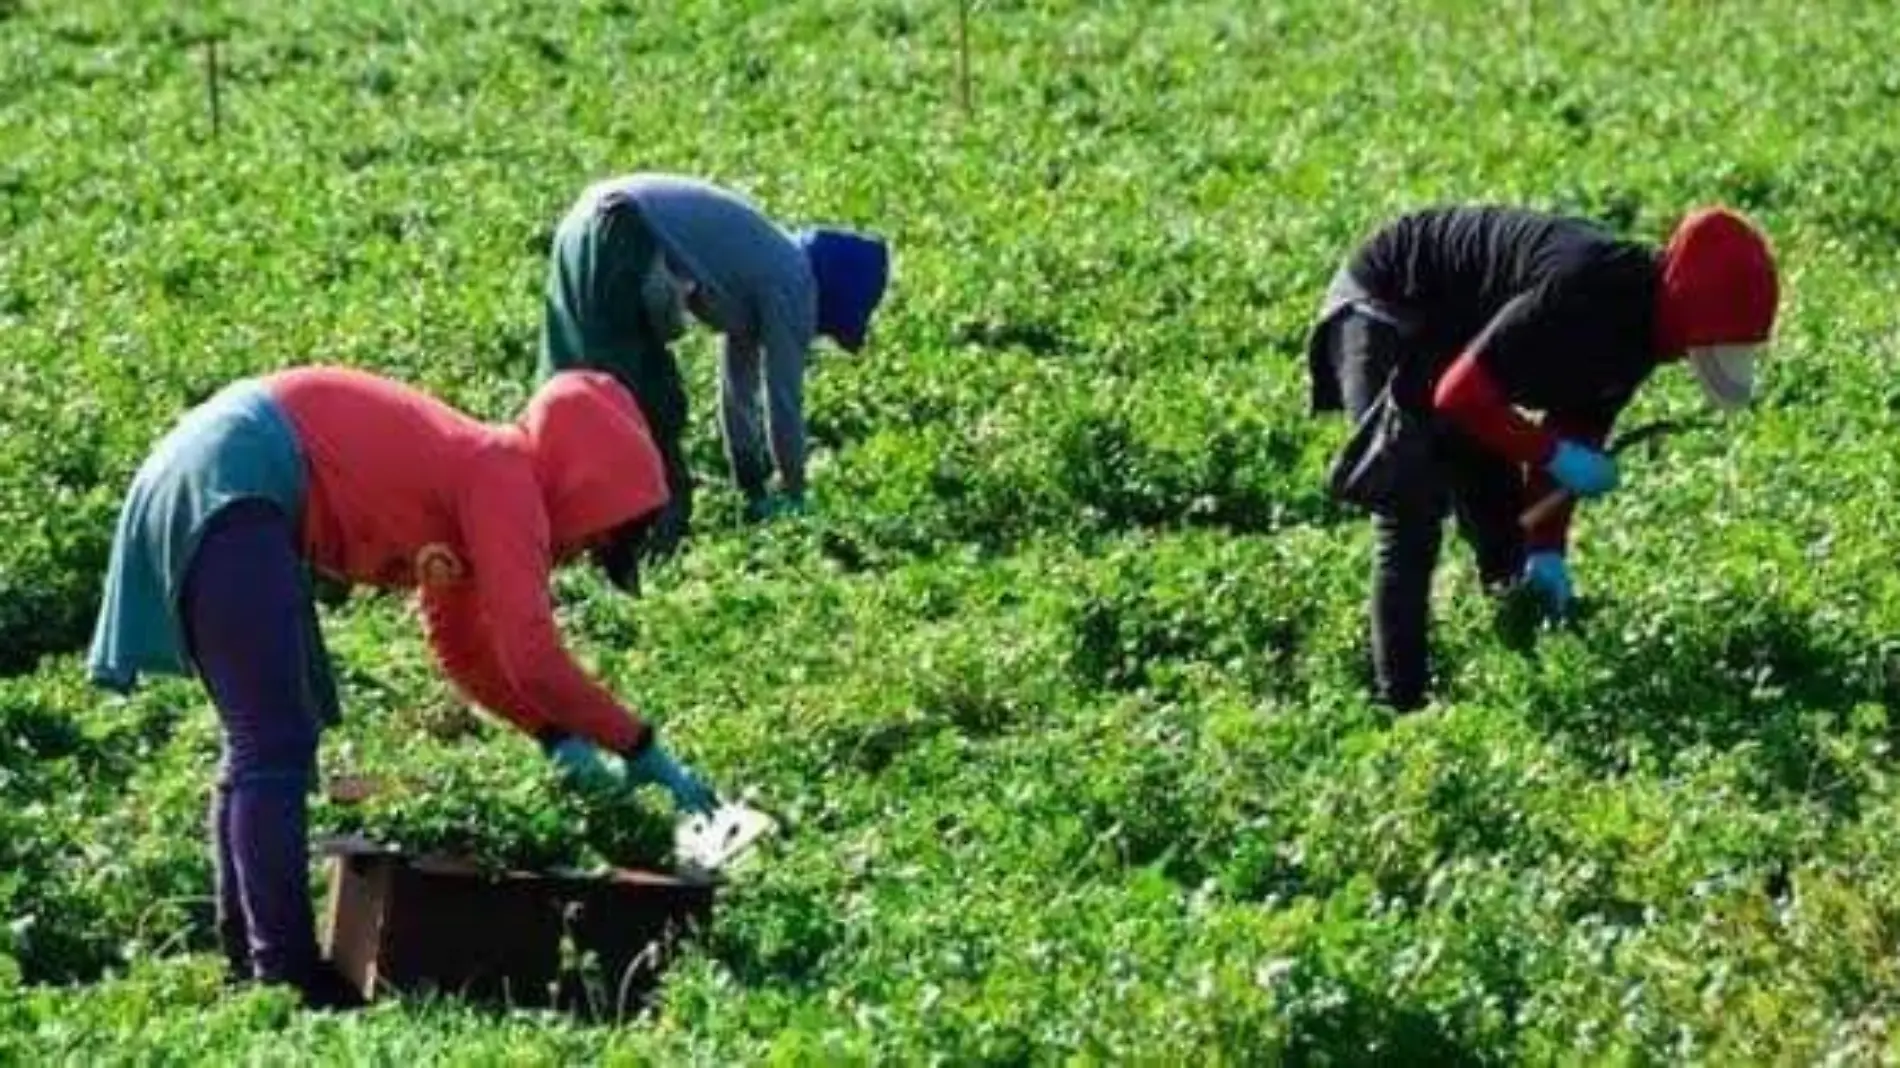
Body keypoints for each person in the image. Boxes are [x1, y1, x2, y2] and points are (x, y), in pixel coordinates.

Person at [87, 366, 719, 1006]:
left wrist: (553, 733)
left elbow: (463, 649)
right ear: (588, 485)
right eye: (600, 536)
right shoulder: (505, 475)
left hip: (210, 469)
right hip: (233, 477)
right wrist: (637, 745)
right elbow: (532, 654)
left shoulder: (481, 479)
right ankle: (284, 975)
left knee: (262, 743)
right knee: (272, 744)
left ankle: (249, 962)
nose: (584, 552)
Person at [1305, 205, 1779, 711]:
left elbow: (1575, 427)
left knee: (1504, 524)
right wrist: (1555, 456)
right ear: (1688, 310)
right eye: (1699, 345)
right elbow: (1460, 396)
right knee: (1410, 509)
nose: (1691, 358)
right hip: (1387, 307)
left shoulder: (1644, 336)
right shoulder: (1584, 287)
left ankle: (1523, 679)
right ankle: (1401, 709)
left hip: (1457, 342)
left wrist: (1547, 549)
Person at [540, 172, 891, 552]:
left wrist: (749, 484)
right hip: (621, 233)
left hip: (584, 221)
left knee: (575, 386)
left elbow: (736, 389)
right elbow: (783, 399)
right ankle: (642, 550)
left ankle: (562, 523)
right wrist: (795, 492)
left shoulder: (761, 265)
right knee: (644, 407)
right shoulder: (795, 282)